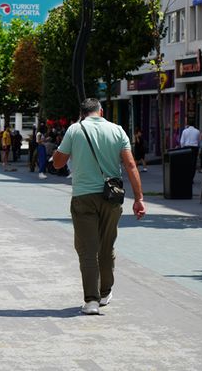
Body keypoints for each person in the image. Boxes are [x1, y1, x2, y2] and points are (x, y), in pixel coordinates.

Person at [52, 98, 146, 315]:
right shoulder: (117, 130)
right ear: (101, 112)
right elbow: (131, 164)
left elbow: (57, 163)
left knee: (87, 250)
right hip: (111, 197)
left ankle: (91, 300)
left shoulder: (75, 130)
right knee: (106, 246)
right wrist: (139, 198)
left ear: (82, 113)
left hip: (83, 197)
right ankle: (105, 292)